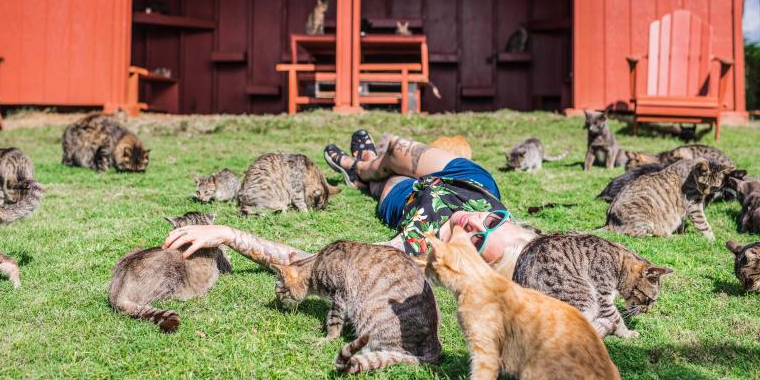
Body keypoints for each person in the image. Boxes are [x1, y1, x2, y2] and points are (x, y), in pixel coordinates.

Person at [163, 131, 539, 277]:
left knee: (387, 185)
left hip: (402, 199)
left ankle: (361, 177)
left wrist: (228, 233)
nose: (474, 222)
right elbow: (403, 152)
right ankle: (361, 164)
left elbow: (313, 260)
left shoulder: (418, 249)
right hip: (451, 176)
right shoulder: (481, 186)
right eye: (493, 219)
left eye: (476, 241)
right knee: (392, 152)